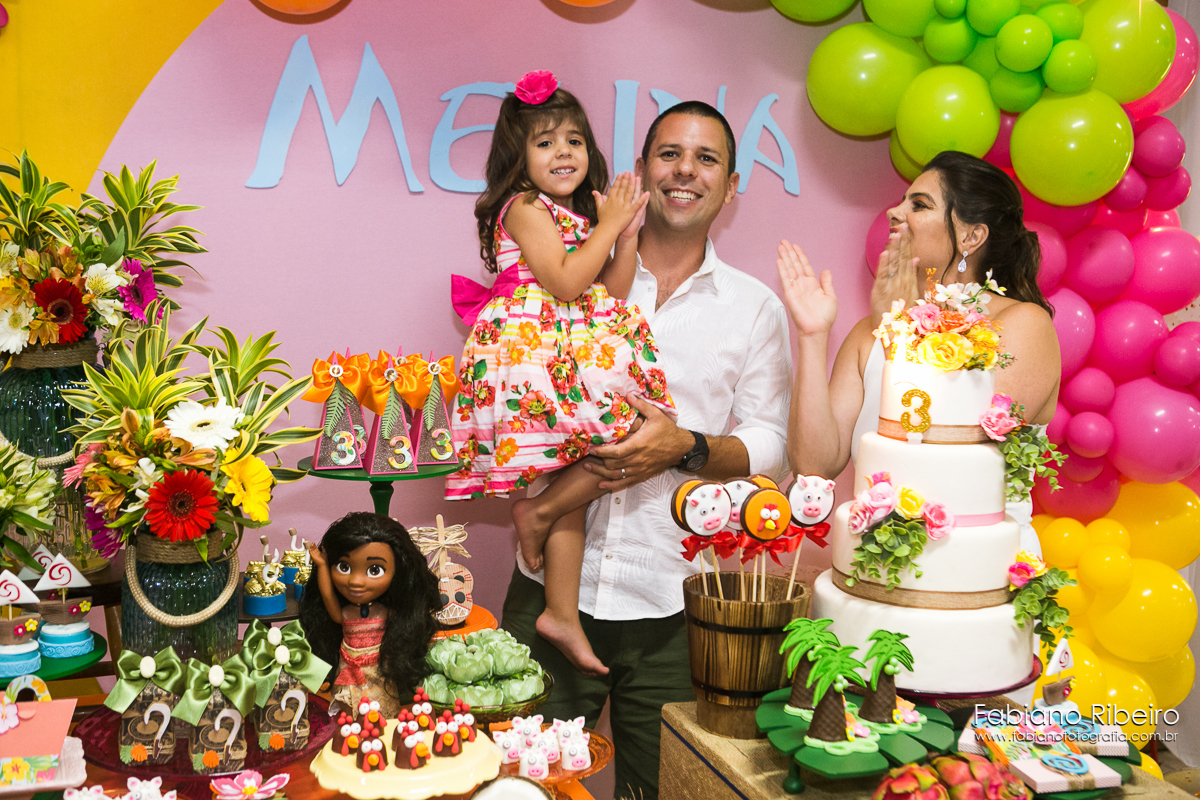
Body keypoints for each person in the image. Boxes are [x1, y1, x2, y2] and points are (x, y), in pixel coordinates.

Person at [501, 101, 792, 800]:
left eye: (706, 159)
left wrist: (683, 447)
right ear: (640, 171)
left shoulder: (754, 307)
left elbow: (771, 443)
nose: (685, 171)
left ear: (730, 187)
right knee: (512, 786)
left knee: (661, 790)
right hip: (548, 589)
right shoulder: (573, 275)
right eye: (669, 154)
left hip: (671, 607)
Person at [447, 70, 673, 678]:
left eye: (573, 140)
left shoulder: (577, 215)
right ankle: (540, 518)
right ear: (518, 158)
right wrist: (607, 226)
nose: (563, 152)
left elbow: (610, 292)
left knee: (583, 460)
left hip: (566, 346)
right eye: (545, 142)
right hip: (531, 350)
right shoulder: (525, 207)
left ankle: (560, 610)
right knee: (621, 438)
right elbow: (568, 283)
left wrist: (624, 236)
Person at [777, 150, 1060, 553]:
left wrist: (898, 334)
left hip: (980, 566)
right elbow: (814, 466)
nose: (895, 213)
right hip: (878, 566)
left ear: (971, 237)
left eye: (919, 204)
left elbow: (957, 447)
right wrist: (811, 334)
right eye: (902, 201)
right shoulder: (867, 335)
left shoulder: (1023, 325)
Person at [300, 512, 440, 719]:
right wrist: (321, 565)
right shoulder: (345, 613)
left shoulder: (386, 612)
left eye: (375, 570)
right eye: (344, 567)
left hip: (379, 672)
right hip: (349, 670)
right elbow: (329, 598)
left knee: (381, 711)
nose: (356, 581)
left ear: (398, 571)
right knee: (349, 710)